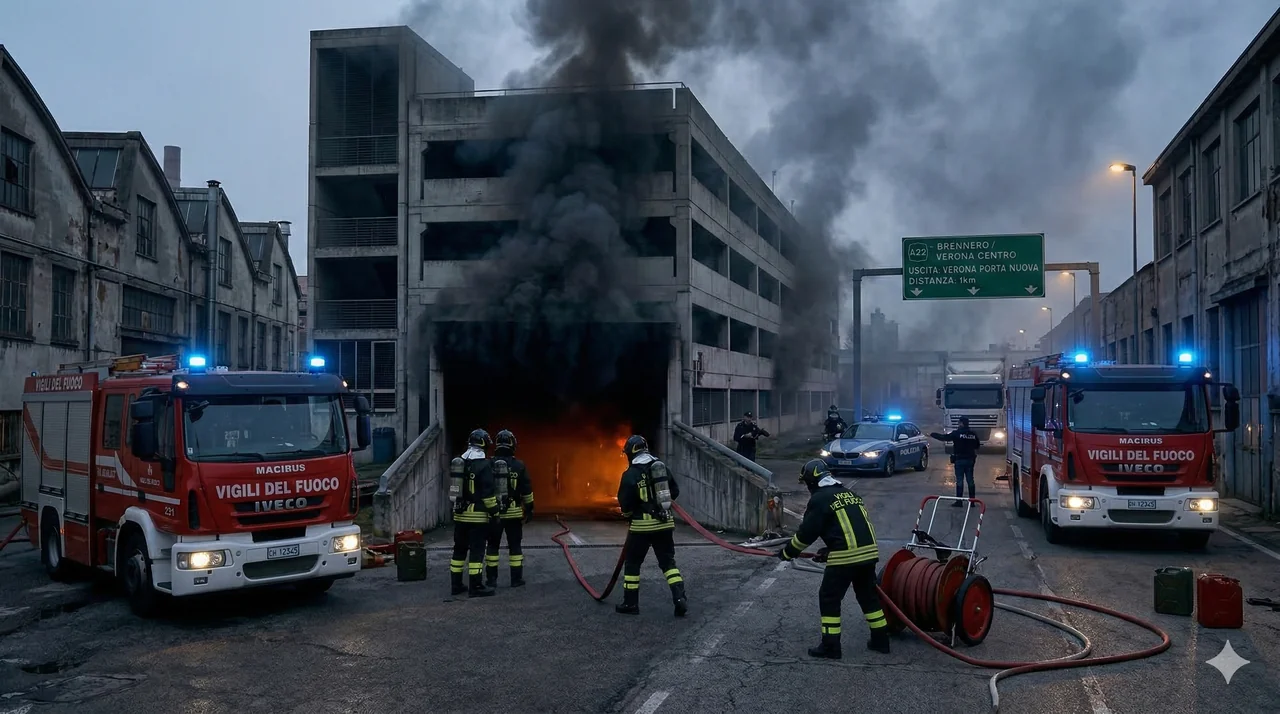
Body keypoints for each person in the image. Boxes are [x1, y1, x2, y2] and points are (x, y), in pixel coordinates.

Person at [778, 459, 889, 659]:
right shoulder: (850, 494)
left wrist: (787, 553)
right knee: (868, 597)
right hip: (869, 554)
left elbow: (807, 533)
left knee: (829, 598)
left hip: (846, 557)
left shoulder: (820, 499)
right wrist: (830, 549)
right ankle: (881, 640)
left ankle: (830, 647)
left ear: (812, 482)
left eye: (807, 483)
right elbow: (847, 528)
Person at [615, 435, 688, 617]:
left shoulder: (630, 474)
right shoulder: (660, 467)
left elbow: (625, 504)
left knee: (632, 564)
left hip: (641, 528)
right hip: (664, 524)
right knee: (668, 564)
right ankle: (680, 599)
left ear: (631, 453)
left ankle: (631, 604)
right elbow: (675, 491)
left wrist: (630, 515)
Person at [449, 429, 500, 597]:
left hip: (460, 515)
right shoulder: (484, 465)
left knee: (459, 551)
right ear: (484, 443)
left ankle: (456, 585)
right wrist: (495, 513)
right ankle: (475, 586)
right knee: (477, 552)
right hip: (477, 518)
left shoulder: (461, 461)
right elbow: (488, 494)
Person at [485, 429, 534, 588]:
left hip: (494, 514)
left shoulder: (489, 464)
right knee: (515, 546)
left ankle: (491, 580)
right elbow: (526, 489)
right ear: (513, 444)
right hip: (514, 514)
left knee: (492, 546)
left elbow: (484, 488)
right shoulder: (519, 465)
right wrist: (529, 509)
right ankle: (516, 579)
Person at [930, 417, 982, 506]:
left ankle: (959, 501)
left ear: (961, 423)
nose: (958, 424)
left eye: (959, 423)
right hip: (970, 460)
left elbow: (944, 438)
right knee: (970, 480)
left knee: (959, 481)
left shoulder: (956, 433)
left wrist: (932, 434)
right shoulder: (973, 434)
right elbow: (977, 446)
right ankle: (972, 502)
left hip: (959, 460)